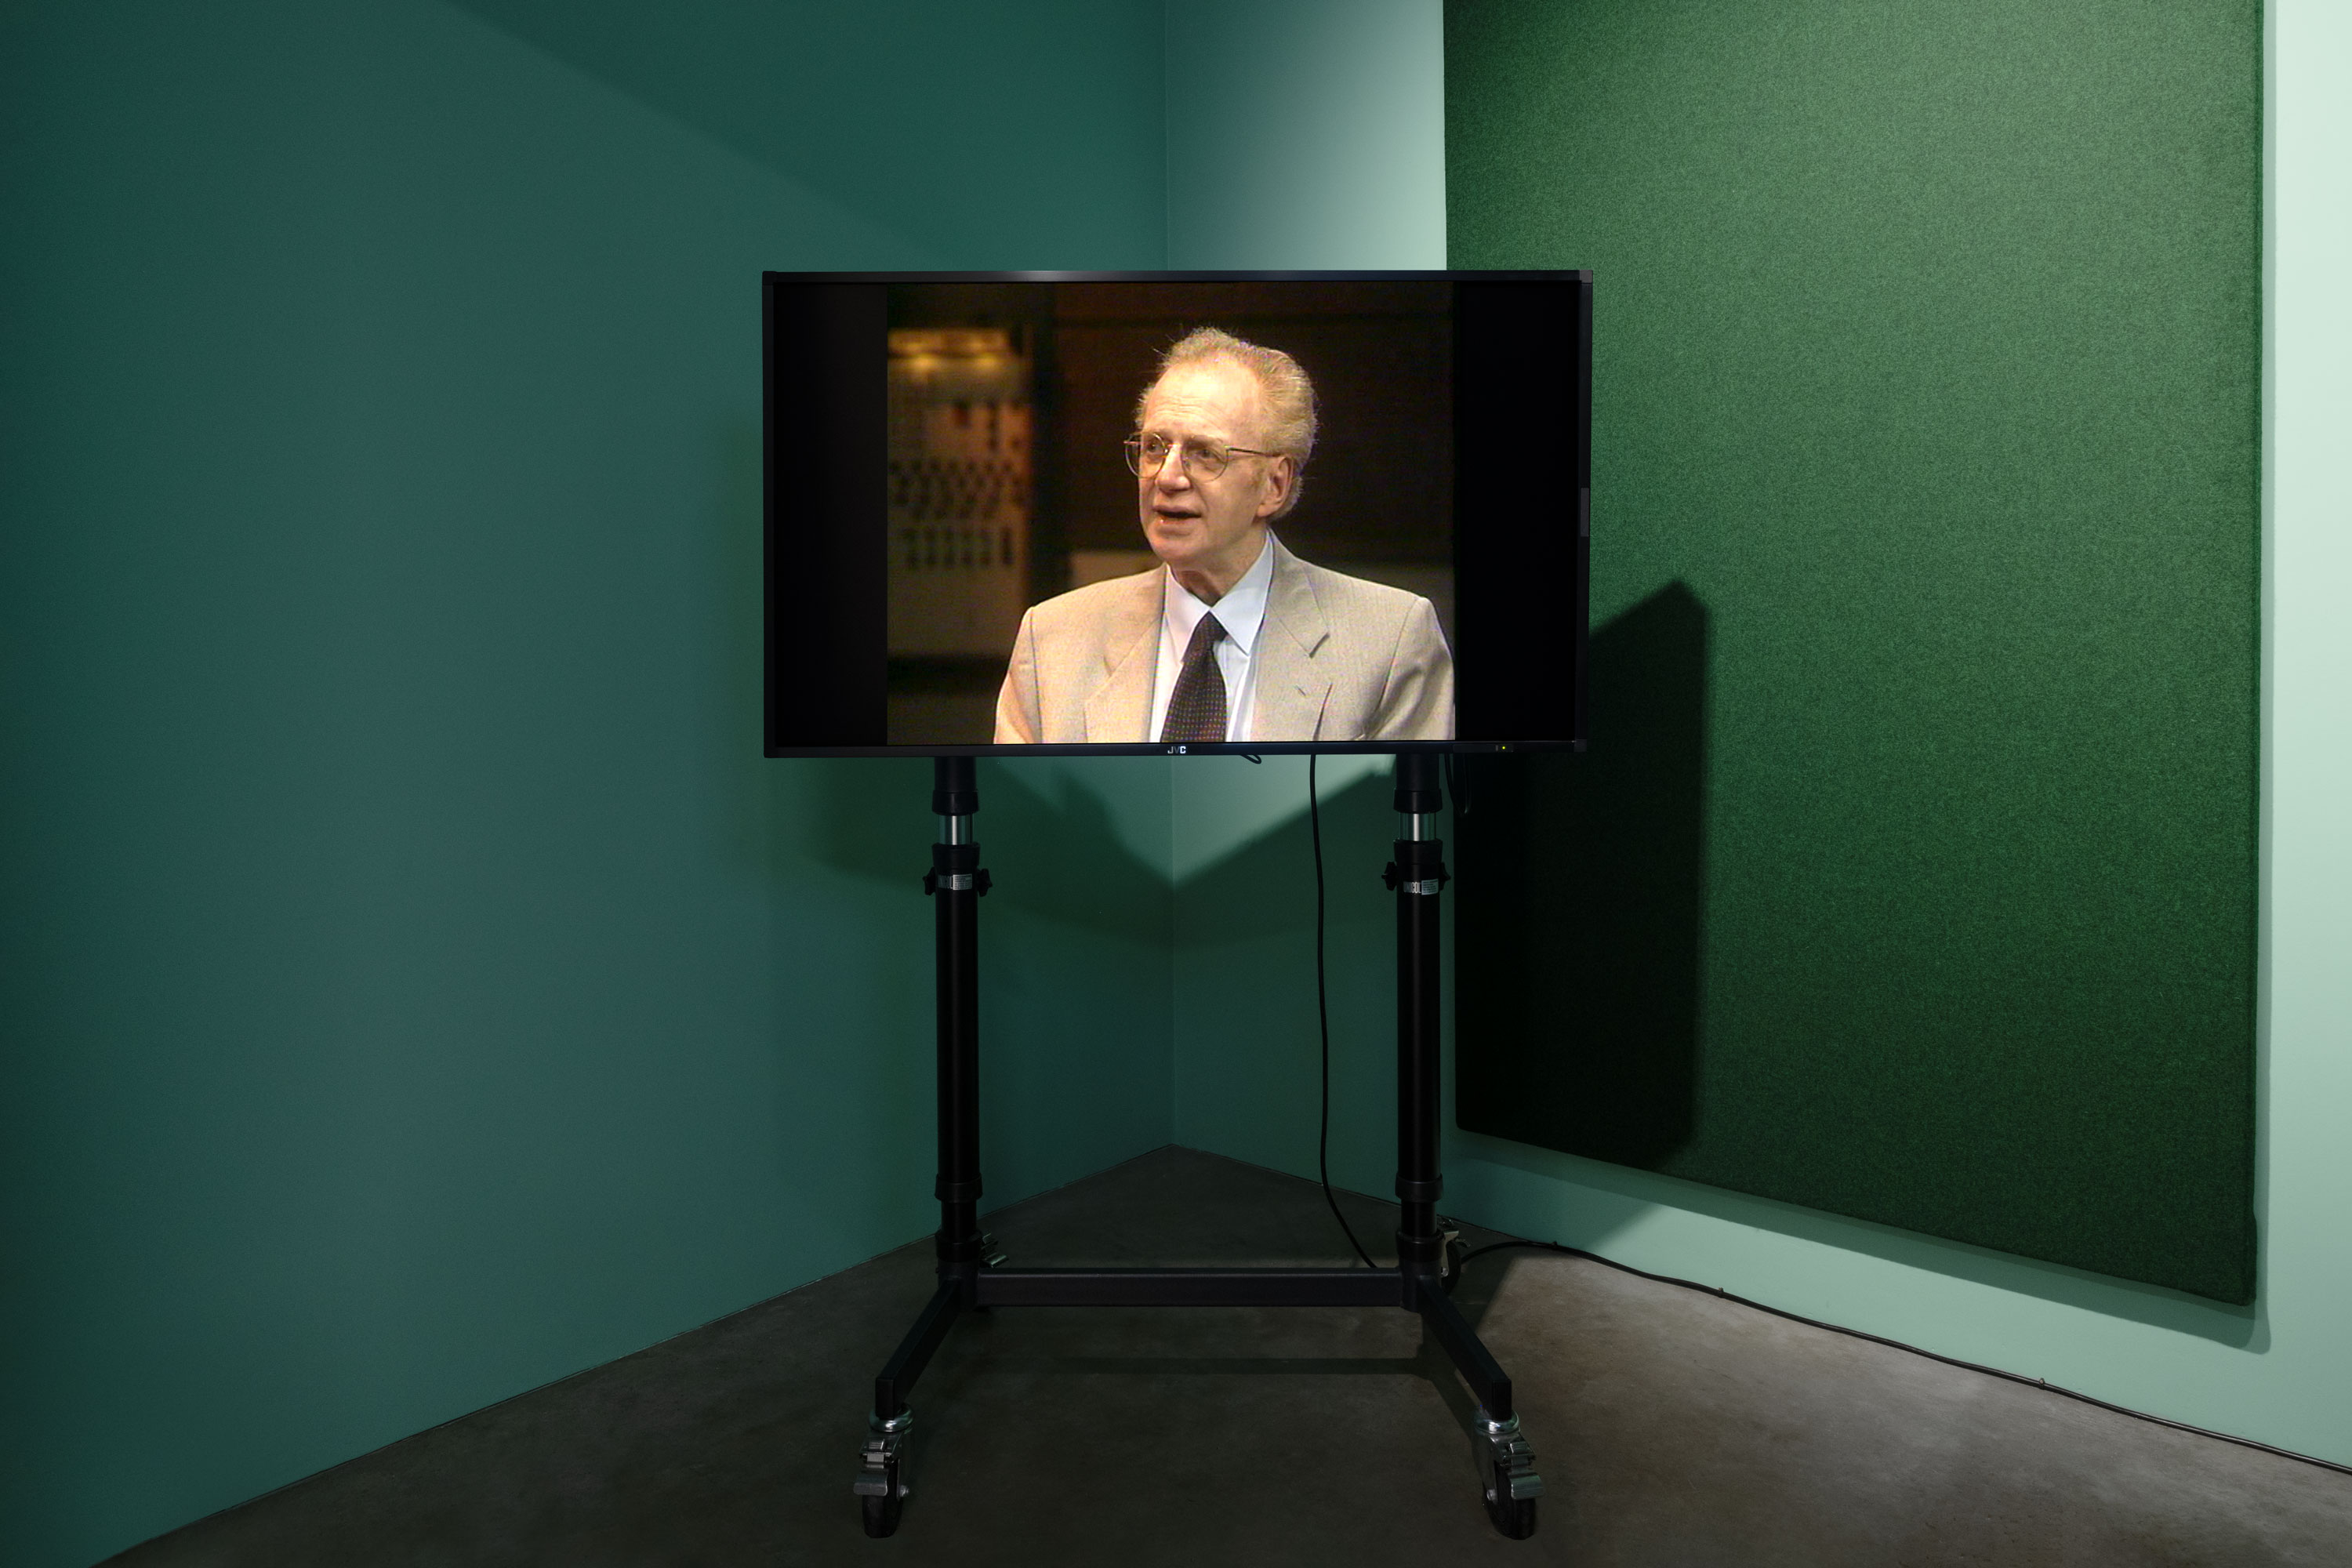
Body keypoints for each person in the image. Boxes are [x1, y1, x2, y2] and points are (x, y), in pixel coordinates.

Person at [993, 328, 1454, 745]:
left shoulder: (1390, 641)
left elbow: (1403, 830)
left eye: (1204, 453)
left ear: (1274, 485)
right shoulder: (1053, 639)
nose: (1167, 477)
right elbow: (1021, 827)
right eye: (1155, 448)